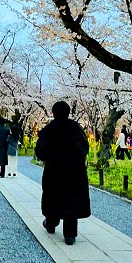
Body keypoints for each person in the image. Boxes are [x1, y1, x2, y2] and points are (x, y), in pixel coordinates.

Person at [35, 101, 91, 245]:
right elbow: (84, 148)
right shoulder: (76, 128)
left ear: (53, 113)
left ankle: (51, 223)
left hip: (54, 171)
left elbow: (40, 152)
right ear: (68, 112)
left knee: (52, 197)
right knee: (72, 200)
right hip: (74, 172)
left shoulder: (49, 129)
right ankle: (70, 234)